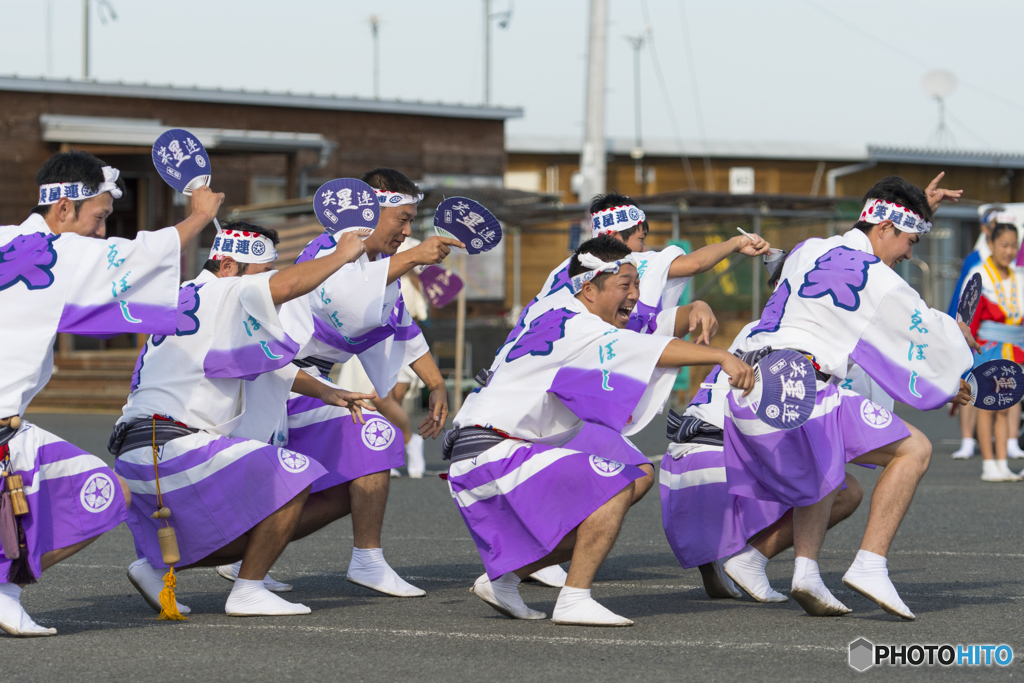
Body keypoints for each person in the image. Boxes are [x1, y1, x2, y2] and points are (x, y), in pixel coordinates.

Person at [445, 235, 756, 626]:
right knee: (616, 483)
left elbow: (650, 328)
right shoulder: (585, 327)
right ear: (589, 289)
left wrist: (696, 305)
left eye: (637, 286)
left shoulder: (556, 305)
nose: (634, 295)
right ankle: (574, 599)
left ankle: (506, 576)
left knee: (639, 473)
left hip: (497, 439)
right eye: (625, 286)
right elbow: (653, 347)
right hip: (494, 449)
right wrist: (721, 355)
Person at [724, 175, 975, 620]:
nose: (910, 254)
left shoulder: (808, 248)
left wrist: (919, 209)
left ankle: (800, 570)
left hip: (750, 387)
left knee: (832, 471)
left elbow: (792, 273)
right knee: (914, 449)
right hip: (799, 384)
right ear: (884, 228)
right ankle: (870, 564)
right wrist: (952, 370)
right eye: (910, 240)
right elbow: (918, 333)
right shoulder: (876, 278)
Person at [0, 150, 223, 636]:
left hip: (11, 427)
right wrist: (200, 217)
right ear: (63, 211)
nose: (103, 233)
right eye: (100, 218)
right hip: (2, 427)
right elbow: (138, 259)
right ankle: (4, 590)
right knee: (103, 495)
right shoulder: (56, 251)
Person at [112, 223, 374, 617]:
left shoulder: (190, 296)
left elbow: (267, 365)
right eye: (263, 272)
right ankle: (248, 590)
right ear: (229, 266)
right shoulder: (222, 290)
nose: (270, 283)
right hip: (172, 446)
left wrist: (325, 391)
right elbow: (285, 287)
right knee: (292, 470)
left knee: (273, 506)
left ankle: (154, 567)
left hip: (142, 449)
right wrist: (342, 255)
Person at [223, 168, 459, 598]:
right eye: (402, 220)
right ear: (370, 210)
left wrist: (437, 384)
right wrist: (412, 257)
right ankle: (227, 563)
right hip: (278, 377)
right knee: (366, 440)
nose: (406, 232)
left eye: (411, 223)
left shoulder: (379, 266)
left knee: (342, 462)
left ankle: (252, 561)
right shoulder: (330, 247)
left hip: (306, 381)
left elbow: (399, 324)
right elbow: (347, 298)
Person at [661, 319, 866, 603]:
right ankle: (752, 559)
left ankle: (715, 551)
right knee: (843, 487)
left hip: (677, 467)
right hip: (724, 463)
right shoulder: (814, 337)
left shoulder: (753, 328)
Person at [966, 220, 1024, 482]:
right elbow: (968, 316)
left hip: (1014, 348)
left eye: (1014, 246)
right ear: (990, 244)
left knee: (1006, 405)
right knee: (987, 405)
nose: (1009, 251)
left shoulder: (1019, 277)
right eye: (1004, 245)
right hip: (986, 347)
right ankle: (988, 463)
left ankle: (1002, 463)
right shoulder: (979, 274)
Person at [948, 204, 1006, 459]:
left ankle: (1003, 440)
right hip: (976, 333)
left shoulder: (1013, 259)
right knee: (971, 382)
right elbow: (963, 298)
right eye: (995, 225)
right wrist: (955, 325)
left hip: (1004, 336)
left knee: (1004, 386)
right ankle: (968, 439)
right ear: (985, 228)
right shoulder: (975, 259)